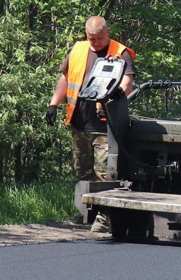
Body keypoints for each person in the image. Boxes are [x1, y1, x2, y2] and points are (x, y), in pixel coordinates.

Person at [46, 16, 135, 232]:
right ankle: (88, 212)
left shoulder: (120, 52)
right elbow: (66, 79)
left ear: (108, 33)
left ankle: (105, 218)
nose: (95, 42)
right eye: (91, 38)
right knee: (83, 172)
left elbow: (128, 80)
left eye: (99, 38)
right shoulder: (78, 50)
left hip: (106, 127)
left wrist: (120, 92)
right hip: (79, 123)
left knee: (105, 174)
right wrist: (53, 104)